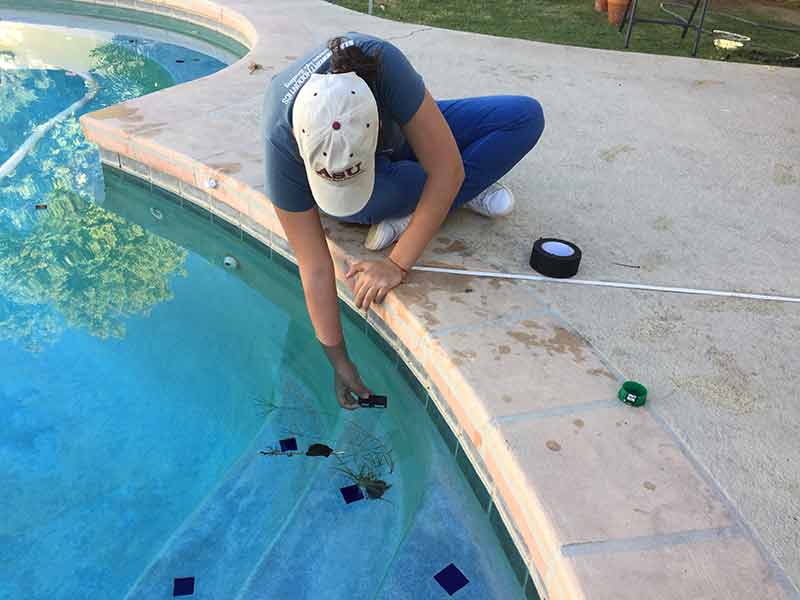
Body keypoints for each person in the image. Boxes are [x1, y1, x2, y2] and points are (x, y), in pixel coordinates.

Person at [262, 33, 544, 410]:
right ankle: (443, 198)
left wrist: (397, 263)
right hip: (371, 186)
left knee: (524, 117)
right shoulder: (280, 137)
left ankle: (424, 208)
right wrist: (338, 360)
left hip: (397, 138)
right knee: (428, 178)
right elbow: (314, 267)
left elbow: (446, 170)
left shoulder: (381, 62)